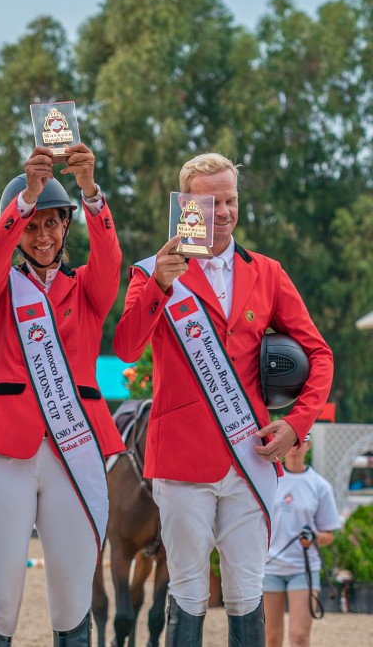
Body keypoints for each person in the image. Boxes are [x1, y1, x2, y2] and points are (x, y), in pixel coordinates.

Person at [113, 152, 334, 646]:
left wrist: (297, 424)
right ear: (184, 207)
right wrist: (160, 286)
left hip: (252, 455)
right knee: (188, 589)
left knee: (245, 591)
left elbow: (320, 354)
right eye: (210, 203)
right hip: (181, 458)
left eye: (230, 200)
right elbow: (125, 346)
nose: (223, 212)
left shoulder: (268, 273)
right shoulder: (152, 271)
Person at [0, 144, 125, 645]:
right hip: (0, 450)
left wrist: (91, 193)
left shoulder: (88, 289)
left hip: (76, 445)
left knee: (73, 601)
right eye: (32, 225)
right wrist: (25, 199)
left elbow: (111, 259)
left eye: (52, 224)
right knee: (1, 601)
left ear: (66, 227)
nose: (43, 235)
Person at [263, 434, 339, 647]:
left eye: (301, 441)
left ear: (309, 445)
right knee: (271, 637)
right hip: (270, 568)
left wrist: (314, 538)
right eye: (292, 441)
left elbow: (329, 535)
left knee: (299, 636)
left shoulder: (320, 486)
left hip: (303, 569)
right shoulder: (270, 479)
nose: (295, 447)